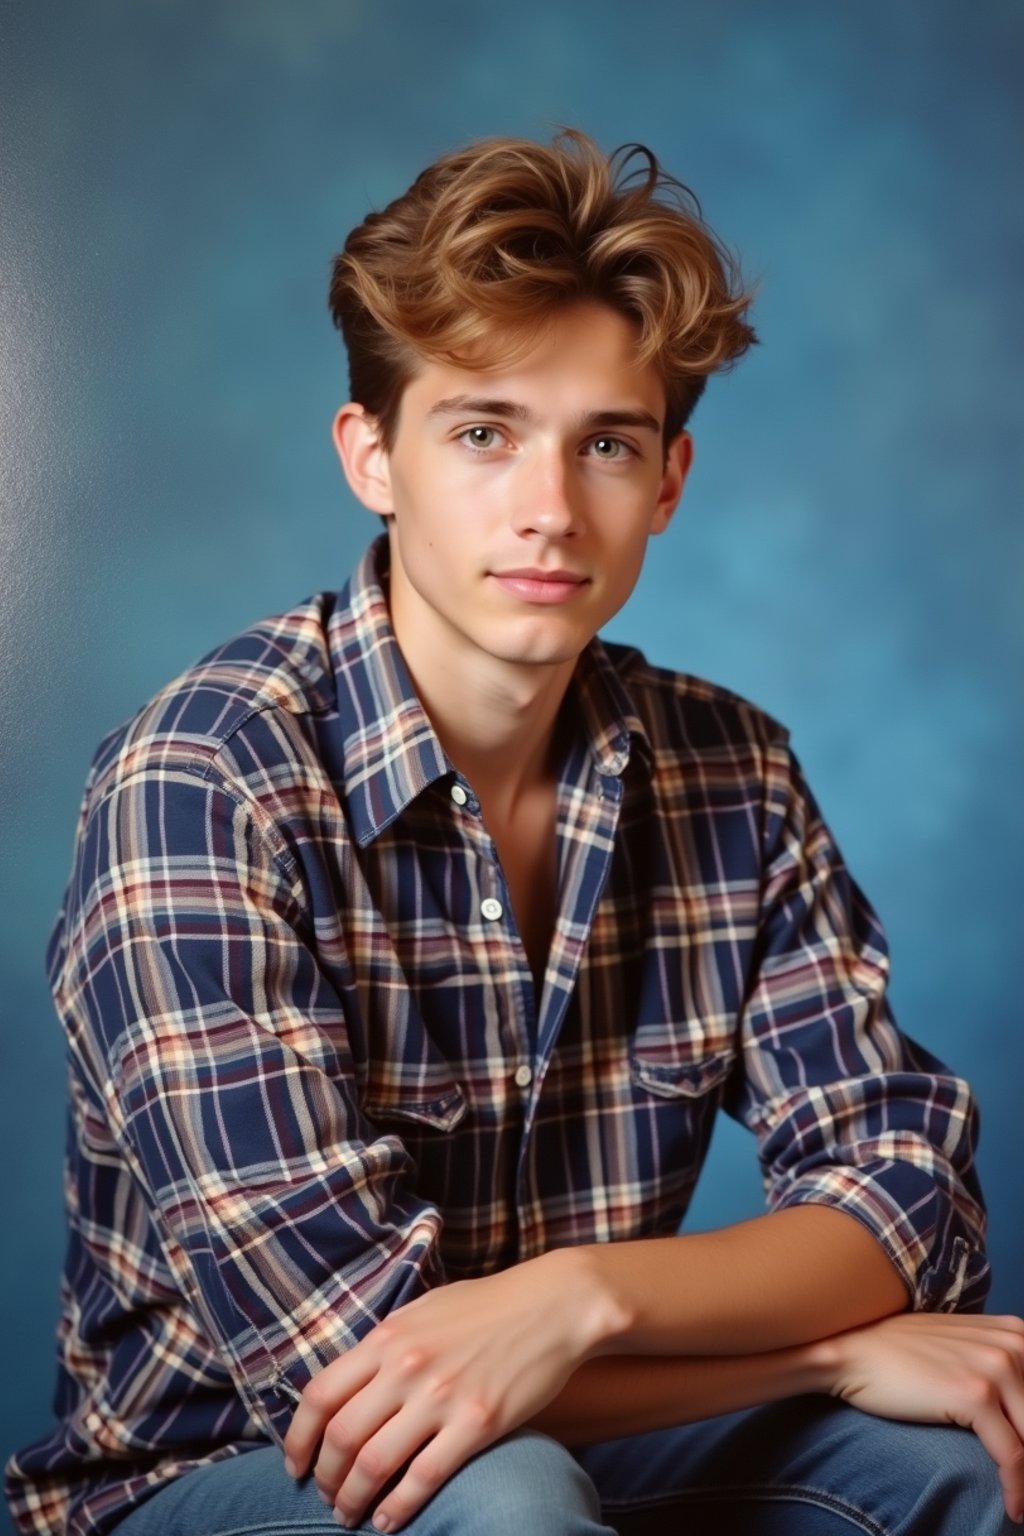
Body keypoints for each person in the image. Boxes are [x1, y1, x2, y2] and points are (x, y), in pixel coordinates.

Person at [6, 129, 1024, 1536]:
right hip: (217, 1474)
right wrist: (829, 1353)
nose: (549, 511)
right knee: (513, 1499)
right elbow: (367, 1372)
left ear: (668, 482)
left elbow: (909, 1192)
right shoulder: (203, 781)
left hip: (580, 1431)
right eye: (482, 432)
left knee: (968, 1450)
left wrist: (577, 1297)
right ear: (373, 455)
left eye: (604, 445)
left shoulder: (731, 769)